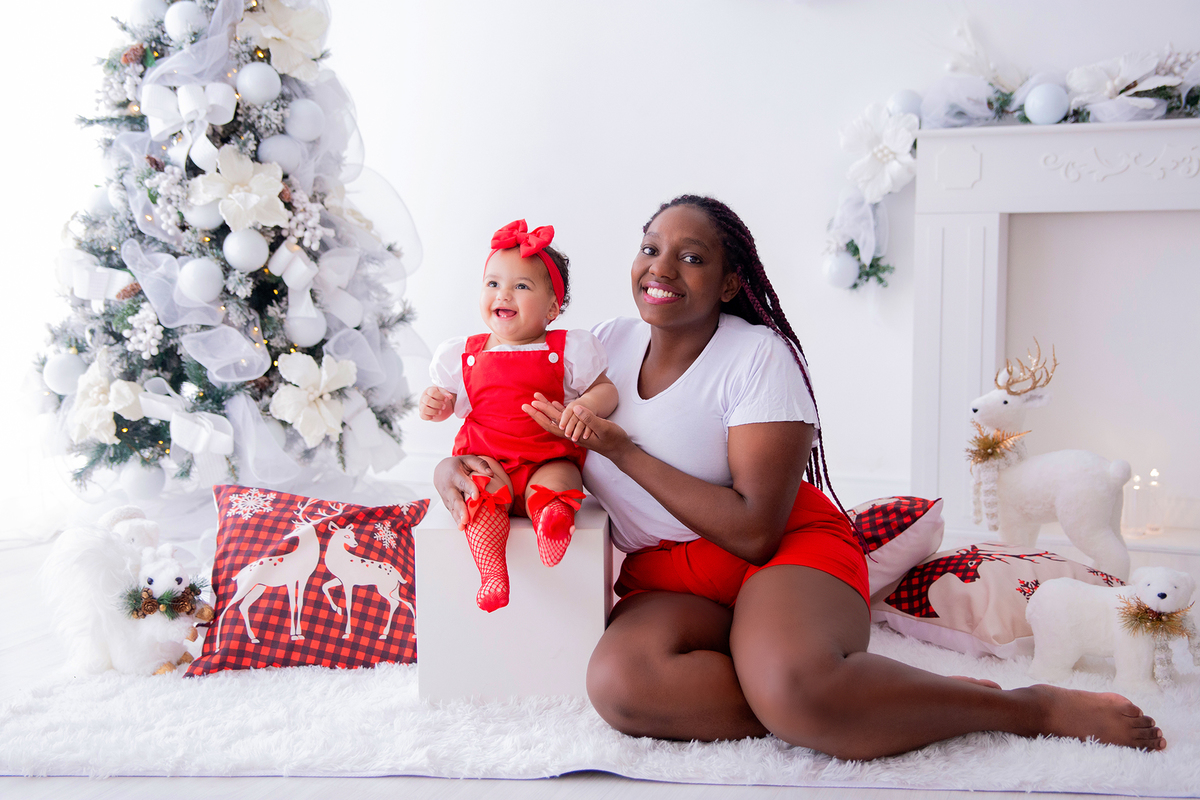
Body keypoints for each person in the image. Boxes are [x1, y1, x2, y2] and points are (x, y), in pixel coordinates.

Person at [433, 197, 1166, 758]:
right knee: (622, 688)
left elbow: (754, 529)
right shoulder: (598, 350)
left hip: (782, 550)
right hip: (670, 573)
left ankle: (1021, 707)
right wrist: (452, 466)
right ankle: (830, 698)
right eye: (651, 247)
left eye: (691, 257)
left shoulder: (759, 359)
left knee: (793, 687)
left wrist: (624, 452)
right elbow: (513, 432)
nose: (660, 267)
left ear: (728, 283)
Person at [420, 219, 618, 613]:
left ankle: (553, 521)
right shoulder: (464, 355)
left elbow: (606, 390)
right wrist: (439, 405)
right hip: (486, 461)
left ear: (551, 307)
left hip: (546, 457)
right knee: (477, 493)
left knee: (561, 479)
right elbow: (451, 401)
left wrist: (585, 406)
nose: (503, 294)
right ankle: (492, 568)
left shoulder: (568, 349)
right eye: (493, 284)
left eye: (521, 286)